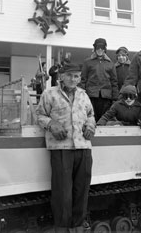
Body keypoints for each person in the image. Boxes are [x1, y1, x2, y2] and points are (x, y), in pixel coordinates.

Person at [36, 62, 96, 233]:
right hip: (61, 148)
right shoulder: (49, 94)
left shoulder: (84, 95)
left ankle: (77, 227)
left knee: (81, 191)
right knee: (63, 193)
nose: (73, 79)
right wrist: (51, 124)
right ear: (61, 76)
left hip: (83, 147)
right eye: (70, 75)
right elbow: (39, 115)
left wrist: (91, 125)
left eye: (77, 76)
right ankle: (61, 228)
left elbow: (91, 114)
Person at [81, 38, 119, 121]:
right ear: (95, 49)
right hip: (91, 95)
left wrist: (115, 98)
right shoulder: (88, 62)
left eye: (102, 48)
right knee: (91, 118)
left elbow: (114, 82)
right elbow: (83, 79)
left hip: (106, 97)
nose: (100, 50)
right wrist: (81, 95)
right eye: (98, 48)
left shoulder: (110, 64)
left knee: (103, 119)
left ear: (105, 49)